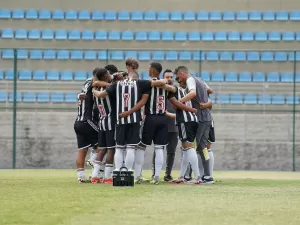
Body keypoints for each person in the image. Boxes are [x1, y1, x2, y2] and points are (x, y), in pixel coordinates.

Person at [92, 61, 169, 174]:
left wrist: (93, 89)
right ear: (135, 78)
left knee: (119, 148)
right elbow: (160, 82)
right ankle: (128, 170)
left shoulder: (117, 85)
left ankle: (118, 170)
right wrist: (166, 82)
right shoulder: (139, 83)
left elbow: (100, 95)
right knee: (131, 148)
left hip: (120, 119)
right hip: (134, 120)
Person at [134, 62, 176, 185]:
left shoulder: (147, 83)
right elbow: (173, 90)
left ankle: (137, 175)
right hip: (163, 119)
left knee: (141, 147)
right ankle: (157, 175)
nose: (147, 69)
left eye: (148, 68)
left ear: (152, 70)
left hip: (150, 118)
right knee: (159, 148)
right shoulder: (166, 86)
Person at [174, 66, 213, 184]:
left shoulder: (191, 80)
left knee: (192, 147)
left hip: (199, 117)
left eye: (178, 77)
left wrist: (179, 102)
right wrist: (205, 102)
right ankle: (207, 176)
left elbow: (193, 93)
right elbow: (210, 91)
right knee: (203, 147)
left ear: (182, 73)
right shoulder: (200, 80)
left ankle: (191, 176)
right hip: (207, 117)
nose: (178, 80)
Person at [168, 76, 201, 184]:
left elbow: (177, 104)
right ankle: (182, 176)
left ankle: (197, 177)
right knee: (185, 149)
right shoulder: (185, 91)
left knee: (188, 148)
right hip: (193, 120)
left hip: (185, 121)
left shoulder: (175, 90)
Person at [90, 68, 117, 184]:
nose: (110, 75)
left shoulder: (95, 88)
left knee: (102, 150)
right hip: (111, 122)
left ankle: (95, 176)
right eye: (108, 74)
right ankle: (107, 177)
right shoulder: (110, 88)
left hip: (102, 122)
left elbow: (95, 83)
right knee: (111, 149)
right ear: (105, 77)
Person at [74, 68, 99, 183]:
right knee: (104, 140)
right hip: (86, 121)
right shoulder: (93, 83)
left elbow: (80, 95)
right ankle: (93, 160)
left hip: (78, 122)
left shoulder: (86, 83)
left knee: (82, 150)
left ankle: (81, 177)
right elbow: (97, 83)